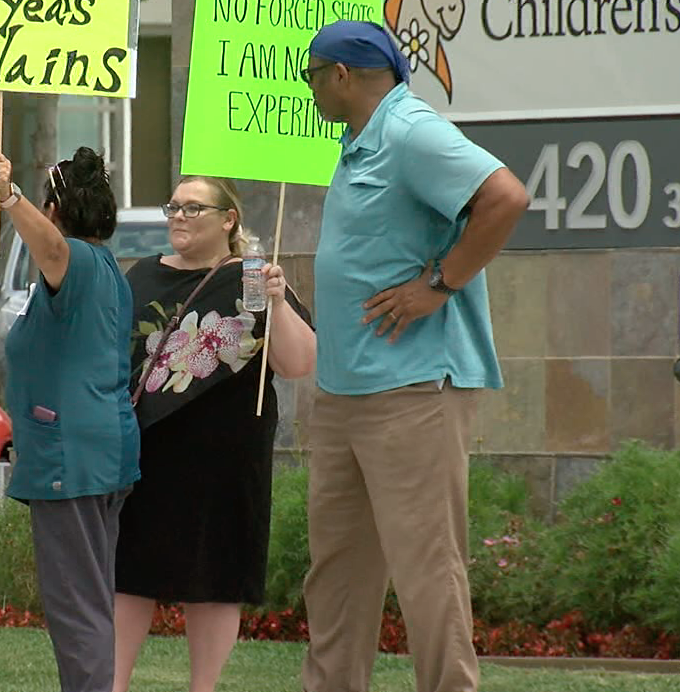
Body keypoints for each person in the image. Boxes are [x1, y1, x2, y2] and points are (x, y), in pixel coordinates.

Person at [299, 20, 530, 692]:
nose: (310, 90)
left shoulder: (409, 130)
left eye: (312, 76)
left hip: (412, 389)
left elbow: (505, 197)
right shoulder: (360, 142)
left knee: (427, 568)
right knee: (337, 572)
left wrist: (440, 284)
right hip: (345, 390)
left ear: (341, 75)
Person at [113, 176, 316, 692]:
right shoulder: (143, 275)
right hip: (148, 449)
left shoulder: (254, 277)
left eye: (193, 208)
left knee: (216, 579)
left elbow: (297, 363)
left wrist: (278, 303)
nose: (178, 217)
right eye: (174, 206)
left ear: (229, 220)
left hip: (227, 459)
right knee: (128, 574)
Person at [0, 147, 140, 692]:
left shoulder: (74, 259)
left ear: (53, 210)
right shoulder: (107, 269)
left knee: (77, 608)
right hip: (101, 448)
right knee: (92, 598)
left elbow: (52, 248)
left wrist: (9, 198)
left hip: (69, 456)